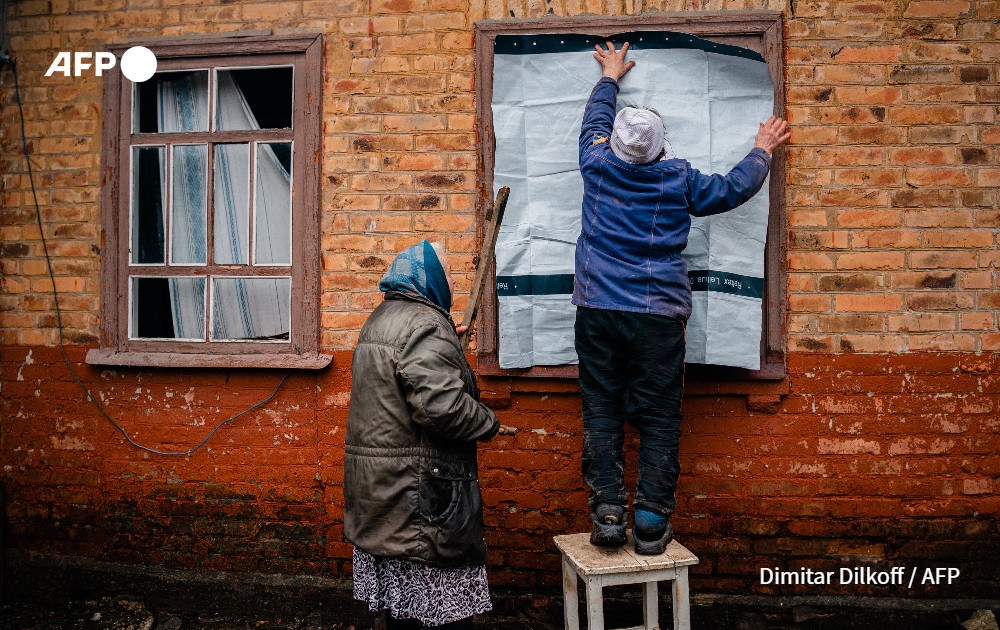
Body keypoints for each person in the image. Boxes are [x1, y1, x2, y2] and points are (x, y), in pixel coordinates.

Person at [574, 41, 790, 555]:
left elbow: (591, 122)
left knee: (601, 408)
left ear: (614, 144)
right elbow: (730, 189)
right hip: (657, 317)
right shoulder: (678, 179)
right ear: (661, 146)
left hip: (598, 310)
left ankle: (607, 516)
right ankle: (650, 522)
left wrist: (608, 77)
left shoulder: (596, 162)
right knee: (660, 415)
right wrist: (762, 148)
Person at [344, 240, 500, 629]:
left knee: (401, 612)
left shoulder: (380, 319)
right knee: (435, 617)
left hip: (383, 496)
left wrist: (444, 335)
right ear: (429, 278)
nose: (452, 282)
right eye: (448, 275)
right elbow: (442, 408)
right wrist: (488, 421)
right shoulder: (426, 326)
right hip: (416, 502)